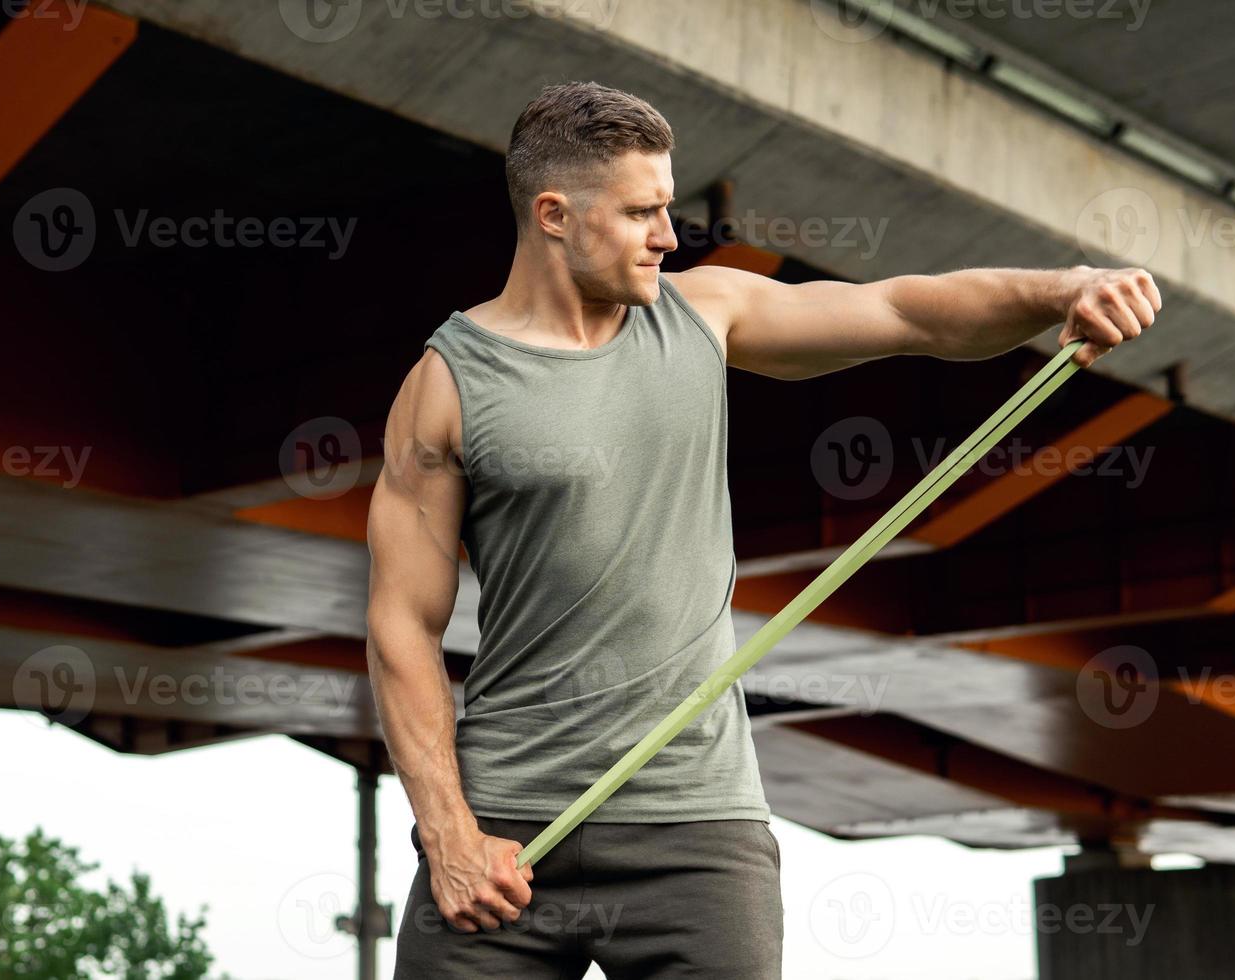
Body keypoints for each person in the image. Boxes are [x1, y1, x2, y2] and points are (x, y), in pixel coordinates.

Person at [365, 79, 1160, 979]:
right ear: (554, 214)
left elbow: (908, 312)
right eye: (641, 212)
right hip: (502, 834)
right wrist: (449, 834)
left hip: (696, 832)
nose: (669, 235)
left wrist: (1067, 289)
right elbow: (403, 626)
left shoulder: (703, 314)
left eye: (668, 207)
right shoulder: (447, 383)